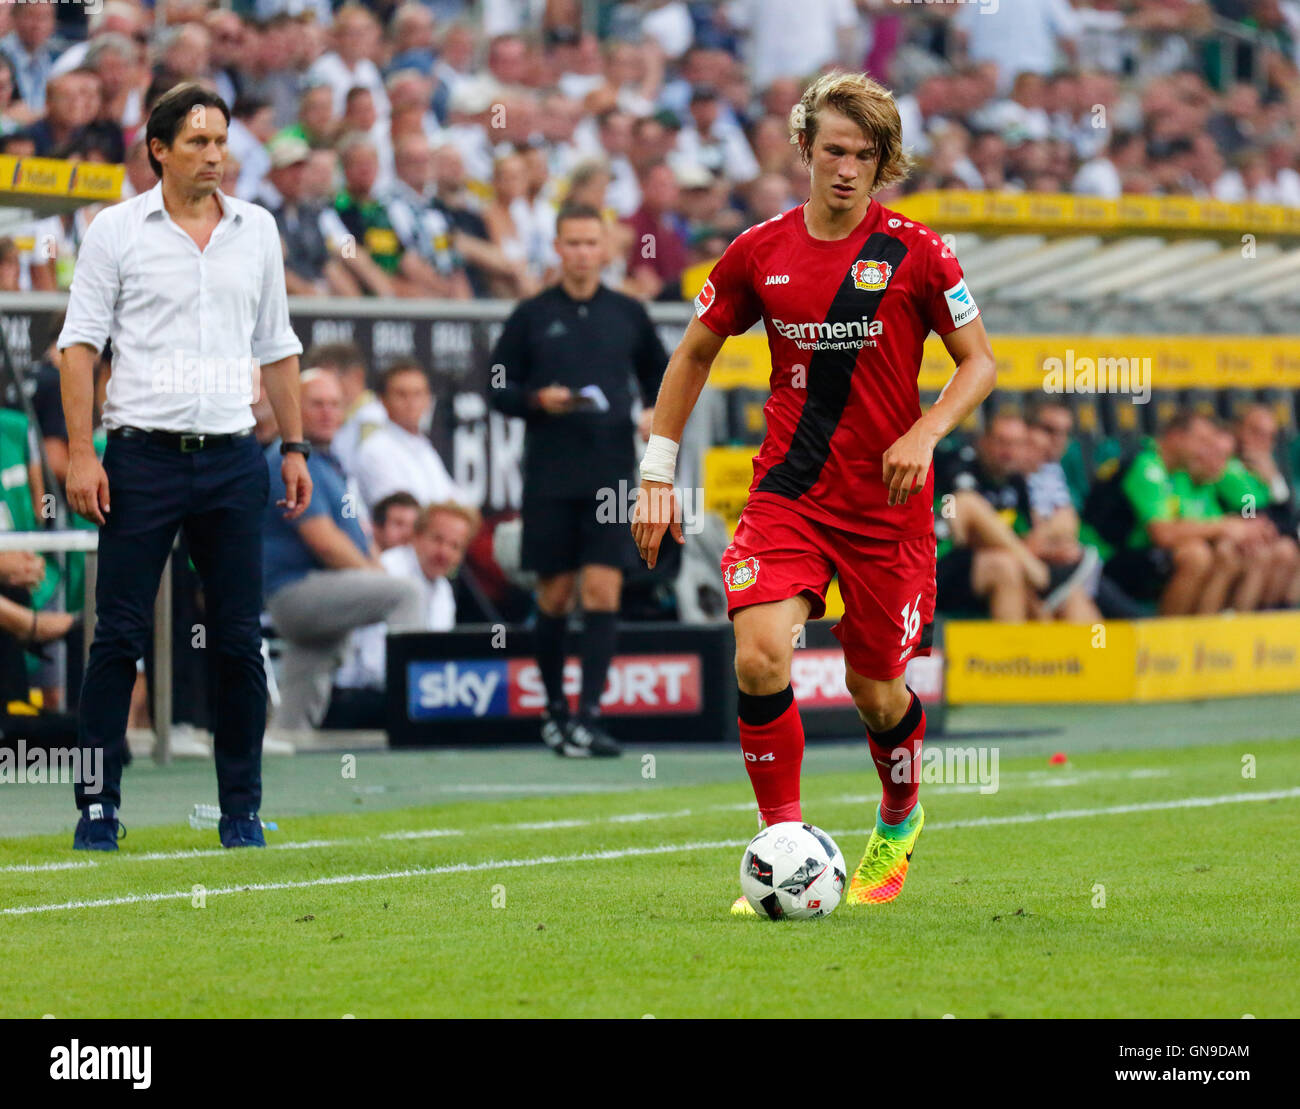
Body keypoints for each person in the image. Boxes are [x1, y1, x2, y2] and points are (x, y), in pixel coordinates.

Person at [631, 72, 998, 912]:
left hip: (887, 511)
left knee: (876, 692)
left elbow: (979, 361)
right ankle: (780, 846)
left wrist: (926, 429)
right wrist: (656, 476)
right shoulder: (758, 251)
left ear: (883, 163)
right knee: (759, 655)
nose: (848, 169)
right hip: (789, 494)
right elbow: (692, 355)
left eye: (865, 156)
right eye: (834, 150)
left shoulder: (919, 251)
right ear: (804, 149)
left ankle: (898, 819)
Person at [58, 83, 311, 850]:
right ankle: (98, 805)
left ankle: (240, 808)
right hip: (140, 455)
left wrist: (294, 447)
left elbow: (278, 345)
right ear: (159, 149)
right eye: (198, 141)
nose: (215, 155)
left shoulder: (257, 228)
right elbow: (79, 347)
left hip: (235, 456)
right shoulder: (116, 230)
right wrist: (80, 454)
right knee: (118, 635)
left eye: (221, 140)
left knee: (239, 638)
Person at [491, 202, 667, 758]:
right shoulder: (532, 314)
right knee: (556, 594)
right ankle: (554, 711)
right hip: (549, 472)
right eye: (573, 243)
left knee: (602, 587)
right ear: (557, 248)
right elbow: (496, 384)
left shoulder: (629, 313)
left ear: (607, 249)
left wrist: (653, 414)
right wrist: (533, 400)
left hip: (612, 470)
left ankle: (589, 715)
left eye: (592, 243)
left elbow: (663, 378)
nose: (583, 253)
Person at [262, 370, 425, 740]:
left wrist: (373, 569)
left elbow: (358, 535)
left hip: (317, 595)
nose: (327, 412)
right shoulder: (286, 460)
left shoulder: (330, 463)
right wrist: (379, 578)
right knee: (407, 594)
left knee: (304, 689)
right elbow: (322, 541)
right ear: (294, 409)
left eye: (335, 404)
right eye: (316, 404)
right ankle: (414, 715)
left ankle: (283, 744)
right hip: (296, 591)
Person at [331, 500, 479, 726]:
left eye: (455, 546)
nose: (444, 552)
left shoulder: (444, 592)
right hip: (355, 697)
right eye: (437, 539)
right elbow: (375, 666)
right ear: (416, 537)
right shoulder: (388, 571)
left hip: (406, 697)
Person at [354, 359, 465, 510]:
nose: (411, 402)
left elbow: (453, 499)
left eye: (418, 394)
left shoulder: (423, 445)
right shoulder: (375, 450)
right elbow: (400, 516)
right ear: (382, 400)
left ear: (428, 399)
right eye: (401, 394)